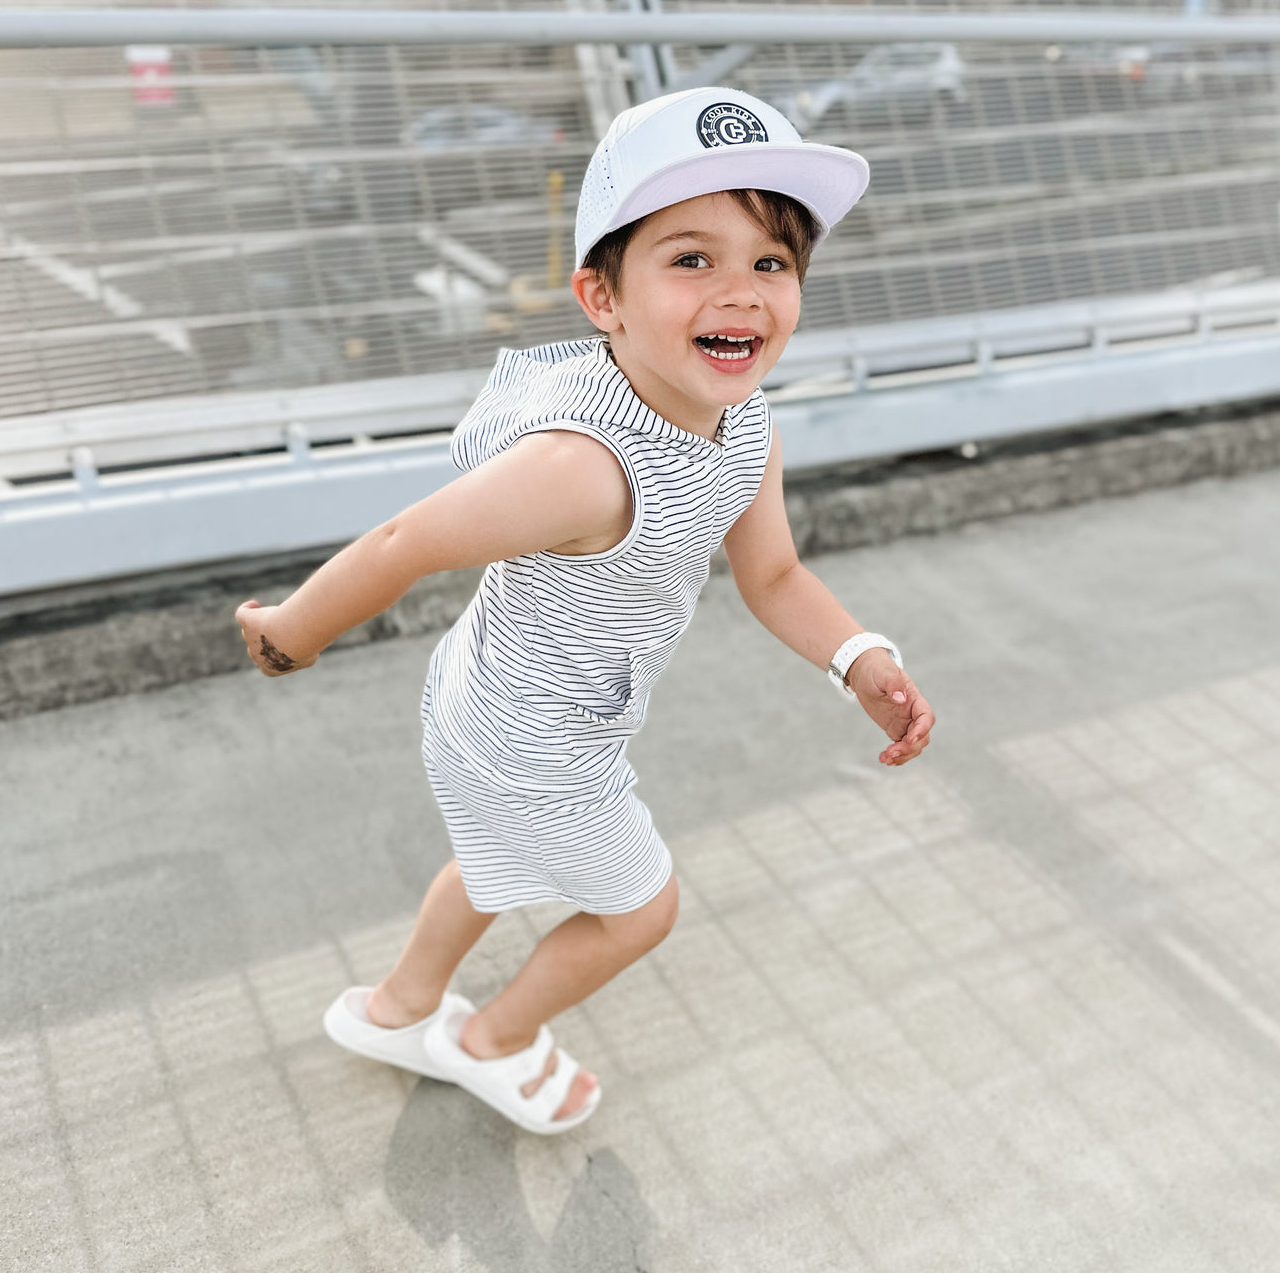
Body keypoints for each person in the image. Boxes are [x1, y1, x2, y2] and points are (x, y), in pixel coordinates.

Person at [234, 86, 935, 1136]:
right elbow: (403, 542)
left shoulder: (743, 423)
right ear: (601, 297)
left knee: (494, 857)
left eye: (771, 262)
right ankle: (490, 1040)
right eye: (691, 258)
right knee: (639, 909)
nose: (740, 293)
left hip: (514, 700)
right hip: (532, 733)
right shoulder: (582, 467)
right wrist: (290, 633)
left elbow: (774, 575)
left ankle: (397, 1008)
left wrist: (857, 657)